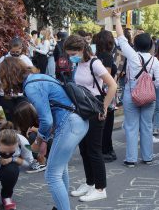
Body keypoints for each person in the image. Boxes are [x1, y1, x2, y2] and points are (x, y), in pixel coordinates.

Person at [0, 57, 89, 210]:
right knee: (61, 169)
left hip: (69, 124)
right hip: (78, 122)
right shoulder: (39, 77)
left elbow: (46, 120)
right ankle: (61, 206)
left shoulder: (30, 86)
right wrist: (44, 140)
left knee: (52, 175)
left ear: (9, 76)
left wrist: (38, 142)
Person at [64, 35, 117, 202]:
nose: (70, 56)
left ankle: (101, 188)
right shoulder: (78, 63)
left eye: (73, 53)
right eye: (69, 54)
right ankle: (90, 183)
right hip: (82, 109)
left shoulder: (95, 63)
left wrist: (104, 108)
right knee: (84, 149)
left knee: (94, 151)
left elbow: (113, 85)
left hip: (95, 109)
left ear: (81, 50)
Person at [112, 11, 159, 167]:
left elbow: (121, 39)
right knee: (147, 126)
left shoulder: (133, 56)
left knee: (131, 126)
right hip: (149, 97)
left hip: (131, 93)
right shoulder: (155, 61)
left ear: (135, 45)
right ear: (150, 46)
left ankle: (131, 159)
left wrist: (116, 18)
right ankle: (148, 157)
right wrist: (148, 86)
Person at [0, 37, 34, 122]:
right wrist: (5, 80)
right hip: (5, 96)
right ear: (9, 49)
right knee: (3, 121)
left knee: (24, 119)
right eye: (12, 52)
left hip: (20, 95)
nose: (15, 55)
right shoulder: (3, 59)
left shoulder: (25, 59)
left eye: (17, 52)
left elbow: (32, 76)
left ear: (21, 49)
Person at [93, 30, 119, 163]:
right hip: (107, 93)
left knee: (102, 124)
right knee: (107, 124)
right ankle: (106, 150)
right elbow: (106, 77)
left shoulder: (96, 55)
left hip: (99, 93)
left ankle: (106, 149)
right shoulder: (107, 56)